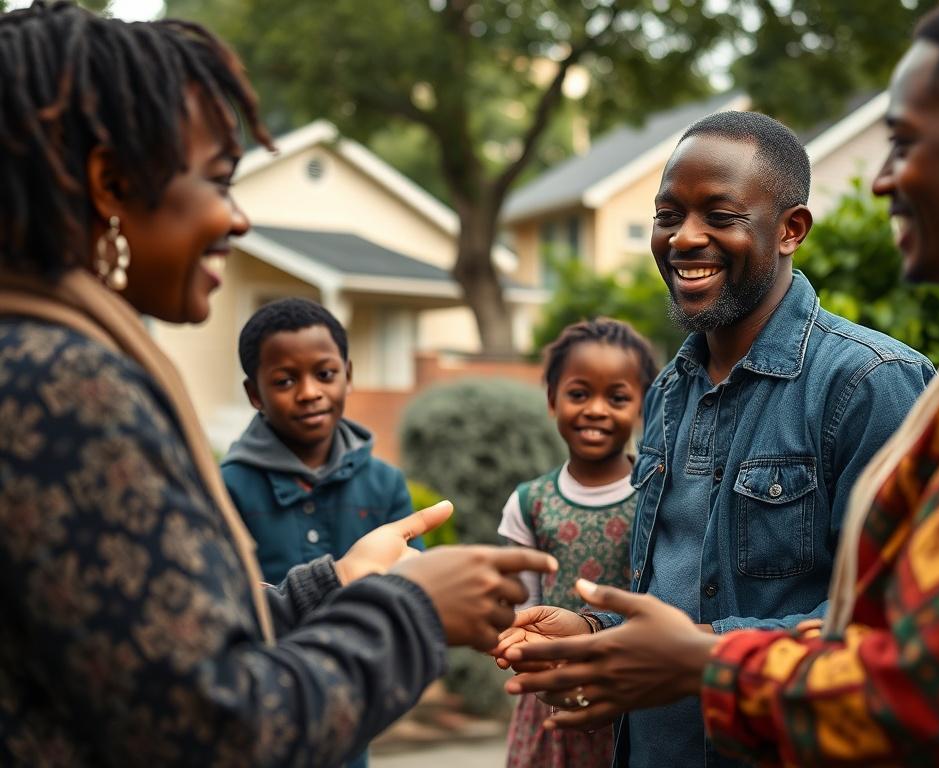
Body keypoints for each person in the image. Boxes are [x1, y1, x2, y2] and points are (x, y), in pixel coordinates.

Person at [0, 3, 556, 766]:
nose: (236, 218)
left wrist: (337, 583)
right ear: (108, 184)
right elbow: (217, 729)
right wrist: (415, 608)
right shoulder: (64, 390)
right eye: (218, 180)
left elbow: (147, 651)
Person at [501, 0, 939, 765]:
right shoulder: (669, 389)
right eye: (667, 214)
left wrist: (701, 659)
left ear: (790, 230)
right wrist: (599, 639)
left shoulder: (875, 383)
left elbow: (892, 647)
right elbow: (680, 598)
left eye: (718, 213)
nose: (684, 238)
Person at [497, 318, 658, 767]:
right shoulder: (529, 502)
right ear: (552, 400)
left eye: (618, 397)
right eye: (579, 393)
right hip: (551, 698)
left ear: (642, 406)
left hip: (634, 693)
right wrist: (529, 653)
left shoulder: (655, 495)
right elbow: (522, 606)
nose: (597, 410)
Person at [224, 297, 420, 591]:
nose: (309, 392)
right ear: (255, 394)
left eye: (325, 374)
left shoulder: (385, 483)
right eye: (285, 381)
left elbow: (415, 585)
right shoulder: (227, 488)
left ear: (348, 376)